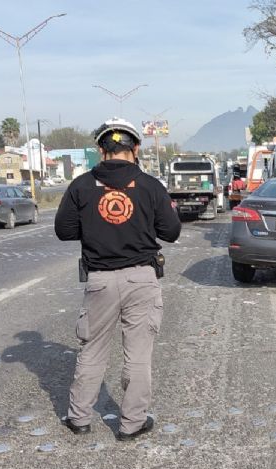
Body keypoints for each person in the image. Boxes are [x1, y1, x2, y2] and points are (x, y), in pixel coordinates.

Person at [55, 117, 182, 441]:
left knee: (92, 351)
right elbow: (171, 231)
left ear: (101, 150)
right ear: (135, 148)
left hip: (99, 280)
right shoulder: (150, 186)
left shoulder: (81, 186)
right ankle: (132, 424)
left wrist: (95, 226)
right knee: (138, 355)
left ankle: (79, 419)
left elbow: (64, 230)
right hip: (141, 279)